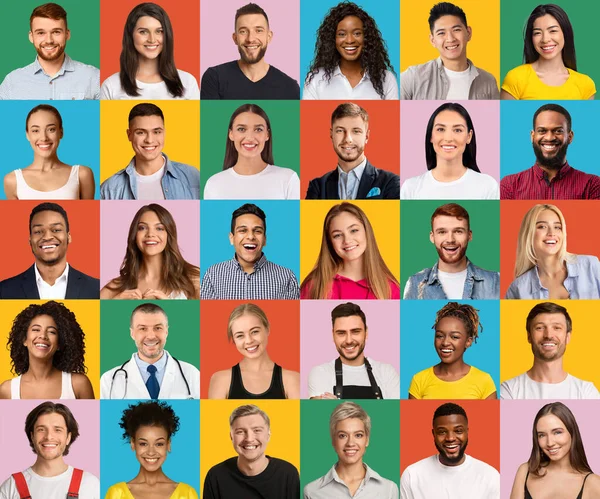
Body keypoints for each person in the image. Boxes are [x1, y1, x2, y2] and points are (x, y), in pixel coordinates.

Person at [501, 302, 600, 399]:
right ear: (529, 336)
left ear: (568, 337)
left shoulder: (587, 392)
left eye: (557, 328)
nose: (548, 335)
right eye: (539, 328)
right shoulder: (509, 389)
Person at [100, 103, 200, 200]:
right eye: (140, 132)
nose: (149, 140)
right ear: (129, 135)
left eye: (156, 132)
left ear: (164, 133)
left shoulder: (193, 177)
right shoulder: (109, 189)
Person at [0, 3, 99, 100]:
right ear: (31, 37)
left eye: (56, 32)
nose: (49, 40)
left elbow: (111, 116)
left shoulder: (93, 77)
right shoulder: (12, 82)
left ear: (67, 34)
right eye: (41, 33)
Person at [0, 202, 99, 299]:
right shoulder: (4, 290)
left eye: (56, 230)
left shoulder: (96, 289)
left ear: (68, 237)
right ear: (30, 239)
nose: (47, 237)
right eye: (38, 231)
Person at [100, 303, 200, 399]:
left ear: (166, 331)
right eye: (143, 329)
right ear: (132, 333)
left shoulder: (191, 374)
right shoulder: (109, 379)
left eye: (158, 328)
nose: (151, 336)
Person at [400, 2, 499, 100]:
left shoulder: (488, 81)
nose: (450, 39)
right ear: (432, 40)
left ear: (468, 33)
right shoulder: (413, 77)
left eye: (456, 30)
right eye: (441, 33)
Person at [0, 402, 99, 498]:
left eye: (57, 430)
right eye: (41, 429)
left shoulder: (90, 485)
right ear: (32, 436)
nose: (49, 436)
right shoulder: (11, 487)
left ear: (68, 437)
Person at [100, 204, 200, 300]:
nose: (150, 234)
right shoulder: (115, 287)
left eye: (159, 228)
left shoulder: (193, 278)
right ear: (134, 235)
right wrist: (114, 304)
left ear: (169, 235)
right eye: (142, 228)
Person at [400, 403, 500, 498]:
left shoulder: (490, 476)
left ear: (467, 432)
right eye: (442, 432)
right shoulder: (412, 475)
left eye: (458, 431)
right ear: (433, 434)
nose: (450, 438)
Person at [301, 202, 400, 299]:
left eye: (353, 230)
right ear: (329, 241)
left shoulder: (391, 289)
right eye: (337, 235)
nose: (347, 241)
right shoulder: (314, 286)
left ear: (367, 231)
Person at [101, 2, 199, 99]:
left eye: (159, 31)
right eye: (143, 32)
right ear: (131, 35)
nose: (152, 39)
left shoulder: (188, 82)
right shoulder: (111, 86)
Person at [500, 103, 600, 199]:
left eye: (558, 131)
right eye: (542, 131)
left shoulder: (591, 185)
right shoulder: (510, 185)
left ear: (570, 137)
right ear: (532, 136)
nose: (549, 137)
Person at [200, 3, 299, 99]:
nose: (250, 39)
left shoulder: (289, 87)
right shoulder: (215, 78)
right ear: (235, 38)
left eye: (259, 30)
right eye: (243, 31)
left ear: (269, 37)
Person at [201, 203, 300, 300]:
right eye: (243, 230)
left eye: (257, 231)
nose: (251, 236)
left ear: (265, 239)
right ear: (231, 238)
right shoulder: (212, 275)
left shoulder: (287, 277)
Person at [401, 103, 499, 199]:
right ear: (431, 136)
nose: (448, 138)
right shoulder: (411, 188)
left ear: (469, 136)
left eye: (457, 130)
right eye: (440, 129)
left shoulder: (488, 186)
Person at [403, 203, 499, 300]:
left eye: (458, 231)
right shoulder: (415, 284)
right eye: (442, 232)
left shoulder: (495, 281)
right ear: (432, 237)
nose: (450, 240)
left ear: (469, 235)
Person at [203, 103, 300, 199]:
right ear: (231, 134)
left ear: (267, 135)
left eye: (258, 129)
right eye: (241, 129)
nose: (250, 137)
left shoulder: (288, 179)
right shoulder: (214, 184)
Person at [0, 301, 94, 400]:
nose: (43, 336)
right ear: (24, 339)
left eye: (51, 332)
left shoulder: (78, 384)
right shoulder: (7, 390)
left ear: (59, 343)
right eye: (36, 329)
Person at [304, 402, 399, 498]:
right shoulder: (312, 491)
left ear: (367, 440)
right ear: (333, 441)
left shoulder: (389, 489)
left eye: (358, 435)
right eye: (342, 436)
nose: (350, 443)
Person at [303, 2, 397, 100]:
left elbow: (391, 115)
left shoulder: (387, 79)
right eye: (342, 34)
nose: (350, 40)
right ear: (332, 39)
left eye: (357, 33)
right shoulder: (315, 79)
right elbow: (309, 115)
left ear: (366, 37)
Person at [306, 102, 400, 199]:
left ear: (366, 136)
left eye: (356, 131)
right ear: (331, 135)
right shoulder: (318, 187)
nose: (348, 139)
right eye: (340, 130)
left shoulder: (390, 182)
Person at [203, 404, 300, 498]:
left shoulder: (287, 474)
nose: (249, 439)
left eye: (257, 430)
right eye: (240, 432)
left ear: (268, 434)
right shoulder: (215, 476)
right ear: (231, 436)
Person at [105, 401, 198, 498]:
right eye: (143, 444)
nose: (151, 452)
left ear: (168, 444)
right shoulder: (117, 493)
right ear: (133, 444)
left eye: (159, 444)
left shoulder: (187, 494)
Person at [501, 4, 595, 100]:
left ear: (565, 33)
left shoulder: (585, 84)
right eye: (537, 33)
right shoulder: (516, 78)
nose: (545, 39)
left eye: (553, 31)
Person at [507, 204, 600, 299]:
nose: (552, 233)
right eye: (542, 226)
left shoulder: (591, 266)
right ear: (528, 234)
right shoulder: (517, 289)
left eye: (557, 227)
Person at [308, 302, 399, 399]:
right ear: (333, 335)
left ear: (366, 332)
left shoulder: (386, 372)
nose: (349, 340)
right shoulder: (321, 372)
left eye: (355, 332)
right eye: (341, 333)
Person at [509, 402, 600, 499]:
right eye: (542, 435)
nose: (549, 443)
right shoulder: (525, 471)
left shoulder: (593, 483)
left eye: (557, 432)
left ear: (572, 433)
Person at [208, 303, 299, 399]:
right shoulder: (220, 380)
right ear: (234, 340)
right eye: (240, 336)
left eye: (255, 331)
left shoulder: (292, 379)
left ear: (267, 329)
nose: (249, 341)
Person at [4, 104, 95, 200]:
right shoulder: (12, 180)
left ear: (61, 132)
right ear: (27, 135)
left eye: (51, 129)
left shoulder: (82, 174)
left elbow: (88, 215)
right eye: (35, 130)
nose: (44, 138)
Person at [408, 302, 496, 399]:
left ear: (468, 341)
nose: (445, 342)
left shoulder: (484, 381)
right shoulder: (419, 380)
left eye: (454, 337)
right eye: (439, 336)